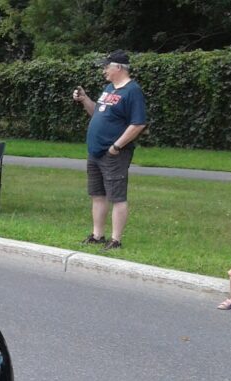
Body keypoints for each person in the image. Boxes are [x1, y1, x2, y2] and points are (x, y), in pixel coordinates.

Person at [73, 49, 147, 251]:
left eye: (107, 66)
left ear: (119, 67)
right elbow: (96, 112)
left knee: (117, 196)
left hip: (114, 153)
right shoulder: (109, 88)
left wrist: (117, 146)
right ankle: (97, 235)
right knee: (97, 194)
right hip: (95, 152)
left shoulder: (132, 91)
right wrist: (85, 99)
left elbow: (138, 123)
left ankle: (115, 240)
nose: (104, 69)